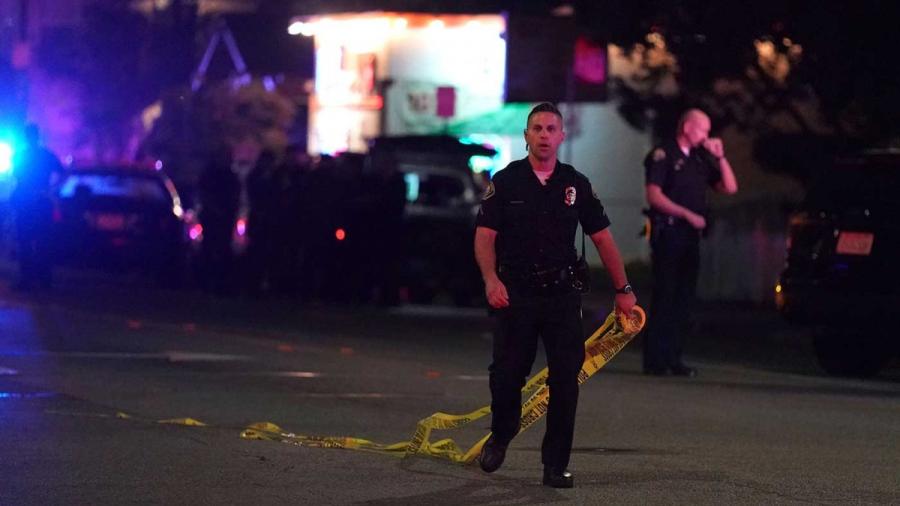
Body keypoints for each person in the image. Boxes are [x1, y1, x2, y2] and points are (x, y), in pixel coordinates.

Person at [474, 102, 637, 488]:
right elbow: (484, 238)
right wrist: (490, 281)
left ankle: (554, 464)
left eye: (551, 129)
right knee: (508, 374)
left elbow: (603, 239)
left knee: (566, 380)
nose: (544, 135)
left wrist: (623, 289)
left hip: (562, 295)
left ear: (562, 136)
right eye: (537, 129)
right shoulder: (507, 181)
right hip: (516, 294)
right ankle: (502, 433)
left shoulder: (575, 184)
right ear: (527, 136)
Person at [642, 108, 738, 377]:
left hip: (690, 238)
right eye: (703, 130)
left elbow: (729, 187)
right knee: (666, 295)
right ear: (687, 127)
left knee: (684, 298)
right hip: (669, 233)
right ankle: (655, 359)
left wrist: (720, 157)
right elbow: (654, 195)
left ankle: (674, 357)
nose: (706, 136)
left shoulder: (699, 159)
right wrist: (686, 214)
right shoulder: (663, 155)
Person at [10, 124, 64, 291]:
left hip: (27, 201)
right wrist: (53, 189)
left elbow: (16, 177)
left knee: (26, 241)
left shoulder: (20, 156)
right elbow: (63, 173)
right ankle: (43, 280)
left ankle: (27, 280)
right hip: (40, 201)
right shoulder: (46, 155)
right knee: (42, 241)